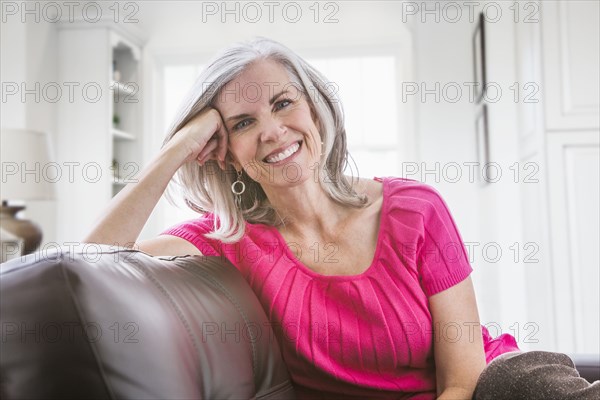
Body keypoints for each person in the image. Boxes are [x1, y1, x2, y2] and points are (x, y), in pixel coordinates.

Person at [84, 37, 599, 399]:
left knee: (520, 384)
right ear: (225, 152)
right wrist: (178, 147)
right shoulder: (226, 242)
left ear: (315, 110)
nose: (273, 131)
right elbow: (88, 266)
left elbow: (462, 380)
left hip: (486, 387)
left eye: (284, 103)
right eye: (244, 122)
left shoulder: (416, 209)